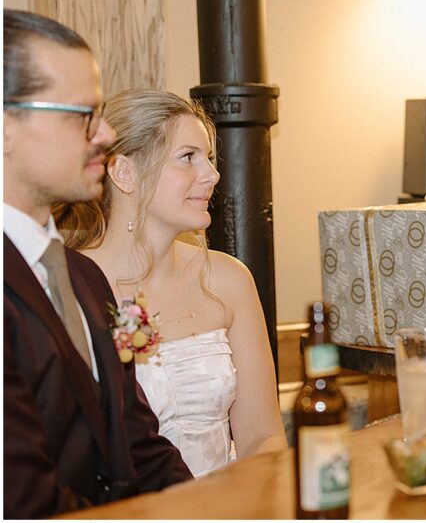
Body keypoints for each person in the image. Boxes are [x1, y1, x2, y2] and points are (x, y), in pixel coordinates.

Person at [3, 9, 193, 517]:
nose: (106, 134)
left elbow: (137, 443)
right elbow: (24, 501)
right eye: (81, 115)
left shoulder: (82, 275)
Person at [55, 88, 287, 477]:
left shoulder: (229, 280)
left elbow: (262, 438)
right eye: (188, 158)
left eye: (209, 158)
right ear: (125, 173)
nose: (212, 175)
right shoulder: (70, 287)